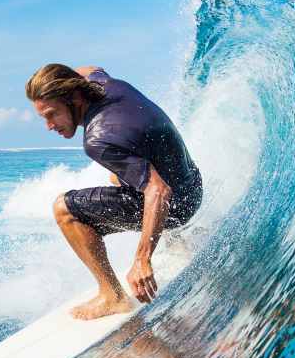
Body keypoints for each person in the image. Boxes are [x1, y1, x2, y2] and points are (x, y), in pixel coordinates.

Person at [26, 64, 203, 320]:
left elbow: (158, 190)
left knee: (64, 209)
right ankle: (177, 238)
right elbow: (91, 68)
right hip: (193, 185)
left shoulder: (98, 140)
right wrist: (55, 80)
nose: (49, 125)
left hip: (177, 207)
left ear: (74, 98)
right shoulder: (103, 84)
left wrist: (143, 259)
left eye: (52, 114)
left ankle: (113, 296)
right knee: (118, 173)